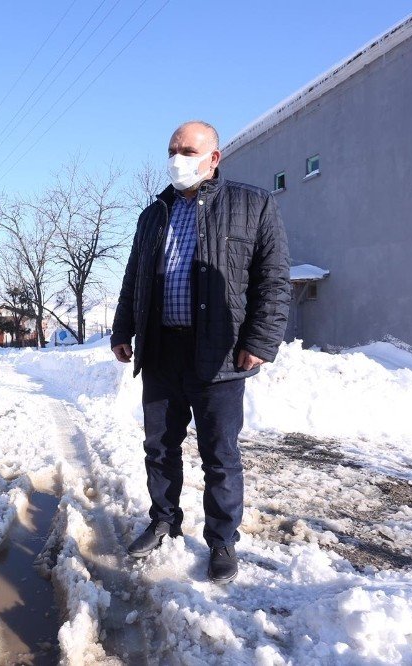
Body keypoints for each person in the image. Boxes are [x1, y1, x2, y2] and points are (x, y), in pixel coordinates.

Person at [111, 121, 290, 583]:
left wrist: (260, 341)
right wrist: (122, 328)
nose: (177, 158)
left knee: (219, 454)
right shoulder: (154, 214)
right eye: (172, 149)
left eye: (188, 150)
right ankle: (164, 520)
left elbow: (273, 280)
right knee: (159, 446)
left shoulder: (252, 205)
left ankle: (223, 541)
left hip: (219, 354)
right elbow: (134, 278)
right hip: (162, 351)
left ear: (214, 157)